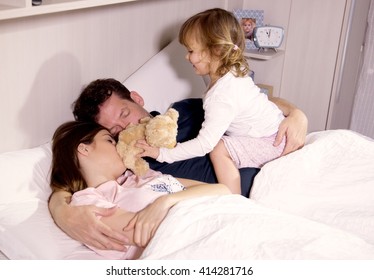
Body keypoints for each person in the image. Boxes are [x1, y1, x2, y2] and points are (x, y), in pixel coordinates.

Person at [138, 8, 287, 194]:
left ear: (215, 51)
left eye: (191, 50)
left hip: (272, 142)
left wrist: (162, 154)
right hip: (276, 131)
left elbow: (204, 145)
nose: (186, 57)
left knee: (218, 149)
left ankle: (233, 200)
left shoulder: (221, 96)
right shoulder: (232, 71)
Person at [50, 121, 231, 259]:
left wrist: (165, 201)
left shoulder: (142, 176)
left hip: (227, 222)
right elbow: (143, 233)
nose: (119, 146)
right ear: (84, 149)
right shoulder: (86, 202)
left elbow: (223, 190)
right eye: (109, 140)